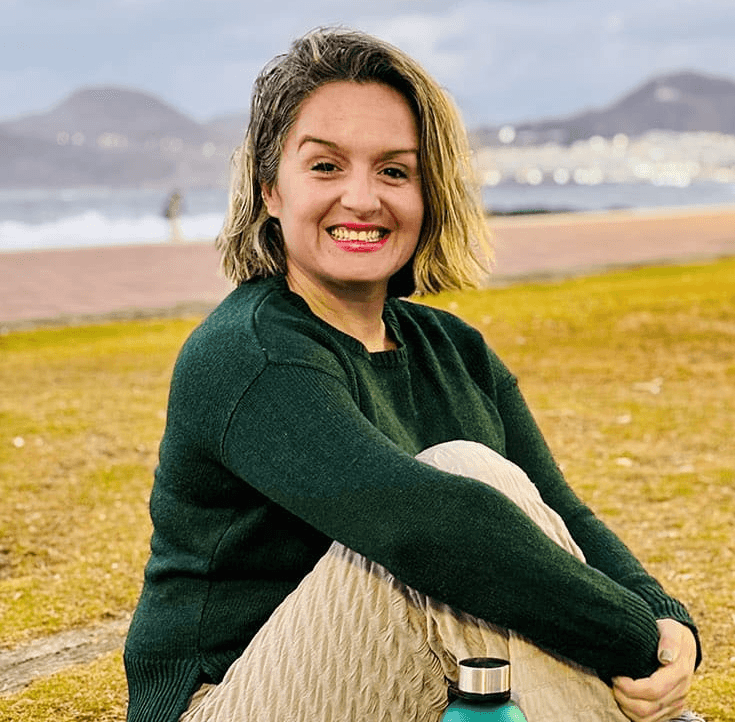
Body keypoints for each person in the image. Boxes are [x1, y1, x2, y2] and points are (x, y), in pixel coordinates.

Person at [124, 27, 701, 722]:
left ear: (429, 196)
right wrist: (633, 642)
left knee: (499, 533)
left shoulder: (452, 348)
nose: (363, 200)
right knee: (465, 486)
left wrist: (668, 622)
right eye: (326, 167)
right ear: (270, 188)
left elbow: (562, 513)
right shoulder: (250, 353)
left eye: (394, 171)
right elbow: (427, 526)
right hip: (225, 703)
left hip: (387, 688)